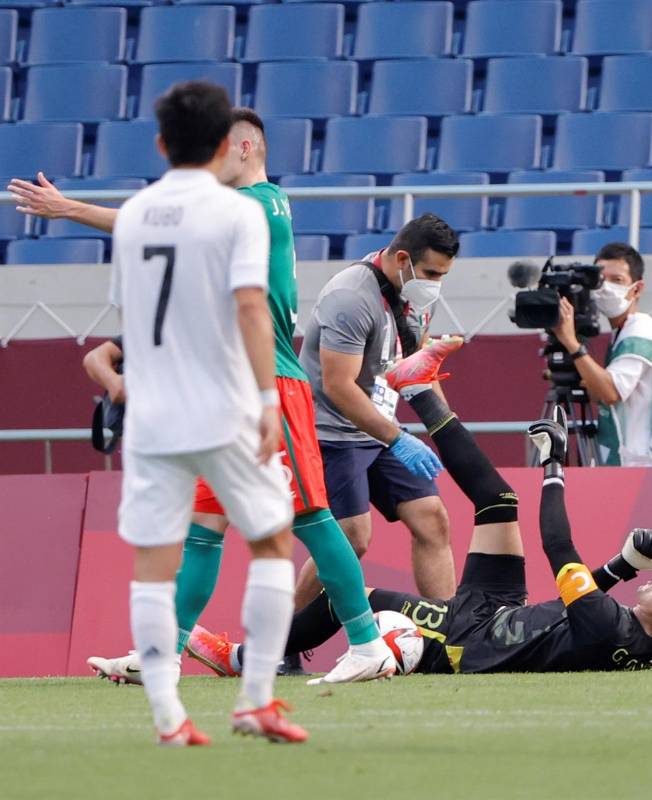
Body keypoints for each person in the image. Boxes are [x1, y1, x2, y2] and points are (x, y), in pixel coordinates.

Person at [39, 108, 399, 687]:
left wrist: (71, 209)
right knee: (204, 527)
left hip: (273, 390)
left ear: (245, 147)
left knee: (310, 514)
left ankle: (367, 642)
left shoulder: (259, 204)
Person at [187, 385, 652, 676]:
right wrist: (621, 567)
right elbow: (580, 605)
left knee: (349, 594)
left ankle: (244, 659)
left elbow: (559, 546)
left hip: (468, 639)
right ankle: (424, 389)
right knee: (498, 502)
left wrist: (554, 466)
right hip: (505, 611)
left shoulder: (610, 626)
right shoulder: (639, 649)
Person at [108, 81, 304, 744]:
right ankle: (254, 700)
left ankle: (168, 715)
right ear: (226, 144)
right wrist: (265, 397)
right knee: (273, 538)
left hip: (154, 417)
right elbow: (251, 306)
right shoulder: (235, 213)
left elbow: (131, 318)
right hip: (220, 406)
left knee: (154, 563)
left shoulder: (134, 213)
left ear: (162, 143)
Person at [297, 213, 462, 607]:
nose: (435, 284)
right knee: (351, 538)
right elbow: (338, 387)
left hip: (380, 428)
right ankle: (283, 638)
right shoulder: (350, 297)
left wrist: (445, 427)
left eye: (442, 275)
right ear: (402, 259)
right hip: (332, 431)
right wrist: (399, 439)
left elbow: (421, 360)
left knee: (433, 520)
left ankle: (454, 638)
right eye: (431, 273)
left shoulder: (417, 296)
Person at [550, 242, 652, 467]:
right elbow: (601, 393)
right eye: (601, 280)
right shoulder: (624, 331)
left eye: (617, 280)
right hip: (644, 466)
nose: (606, 287)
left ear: (636, 289)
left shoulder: (640, 333)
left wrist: (570, 342)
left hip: (649, 468)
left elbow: (610, 392)